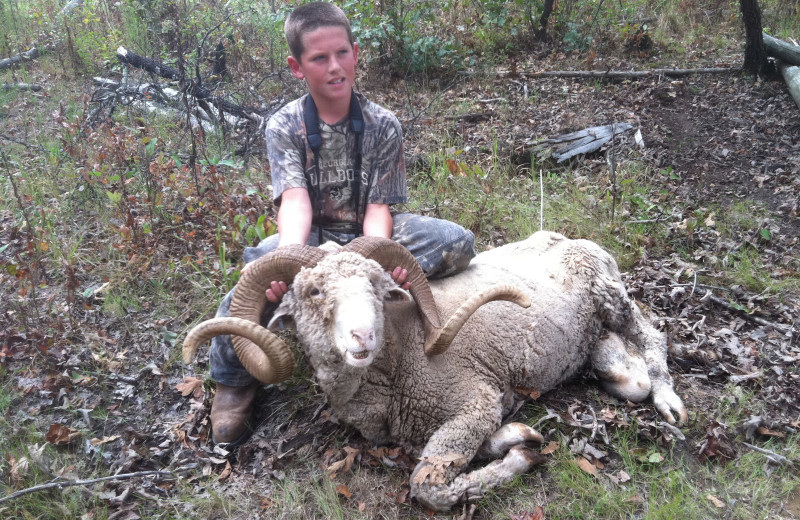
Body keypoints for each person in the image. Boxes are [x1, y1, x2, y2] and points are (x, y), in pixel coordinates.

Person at [207, 1, 476, 445]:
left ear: (355, 51)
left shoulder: (383, 124)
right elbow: (294, 202)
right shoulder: (285, 126)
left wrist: (376, 265)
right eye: (319, 58)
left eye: (342, 53)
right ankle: (235, 382)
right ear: (297, 67)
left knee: (457, 242)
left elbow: (378, 209)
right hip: (311, 237)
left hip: (366, 235)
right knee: (249, 285)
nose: (335, 67)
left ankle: (387, 301)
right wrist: (291, 266)